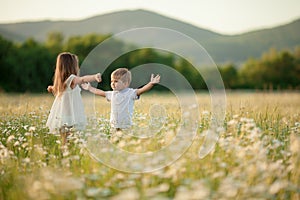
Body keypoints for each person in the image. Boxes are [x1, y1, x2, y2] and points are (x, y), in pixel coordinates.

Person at [46, 52, 101, 145]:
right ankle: (67, 154)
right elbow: (82, 79)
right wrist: (94, 77)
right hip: (70, 116)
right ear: (72, 66)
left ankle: (64, 153)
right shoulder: (72, 79)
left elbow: (56, 88)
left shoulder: (60, 81)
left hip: (60, 115)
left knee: (64, 139)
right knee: (69, 139)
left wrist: (51, 88)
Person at [81, 68, 160, 130]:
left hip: (126, 125)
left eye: (116, 81)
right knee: (115, 140)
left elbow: (142, 90)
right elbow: (100, 92)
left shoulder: (130, 93)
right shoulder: (112, 94)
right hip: (114, 124)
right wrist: (90, 88)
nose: (112, 83)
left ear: (125, 83)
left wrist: (151, 84)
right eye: (111, 81)